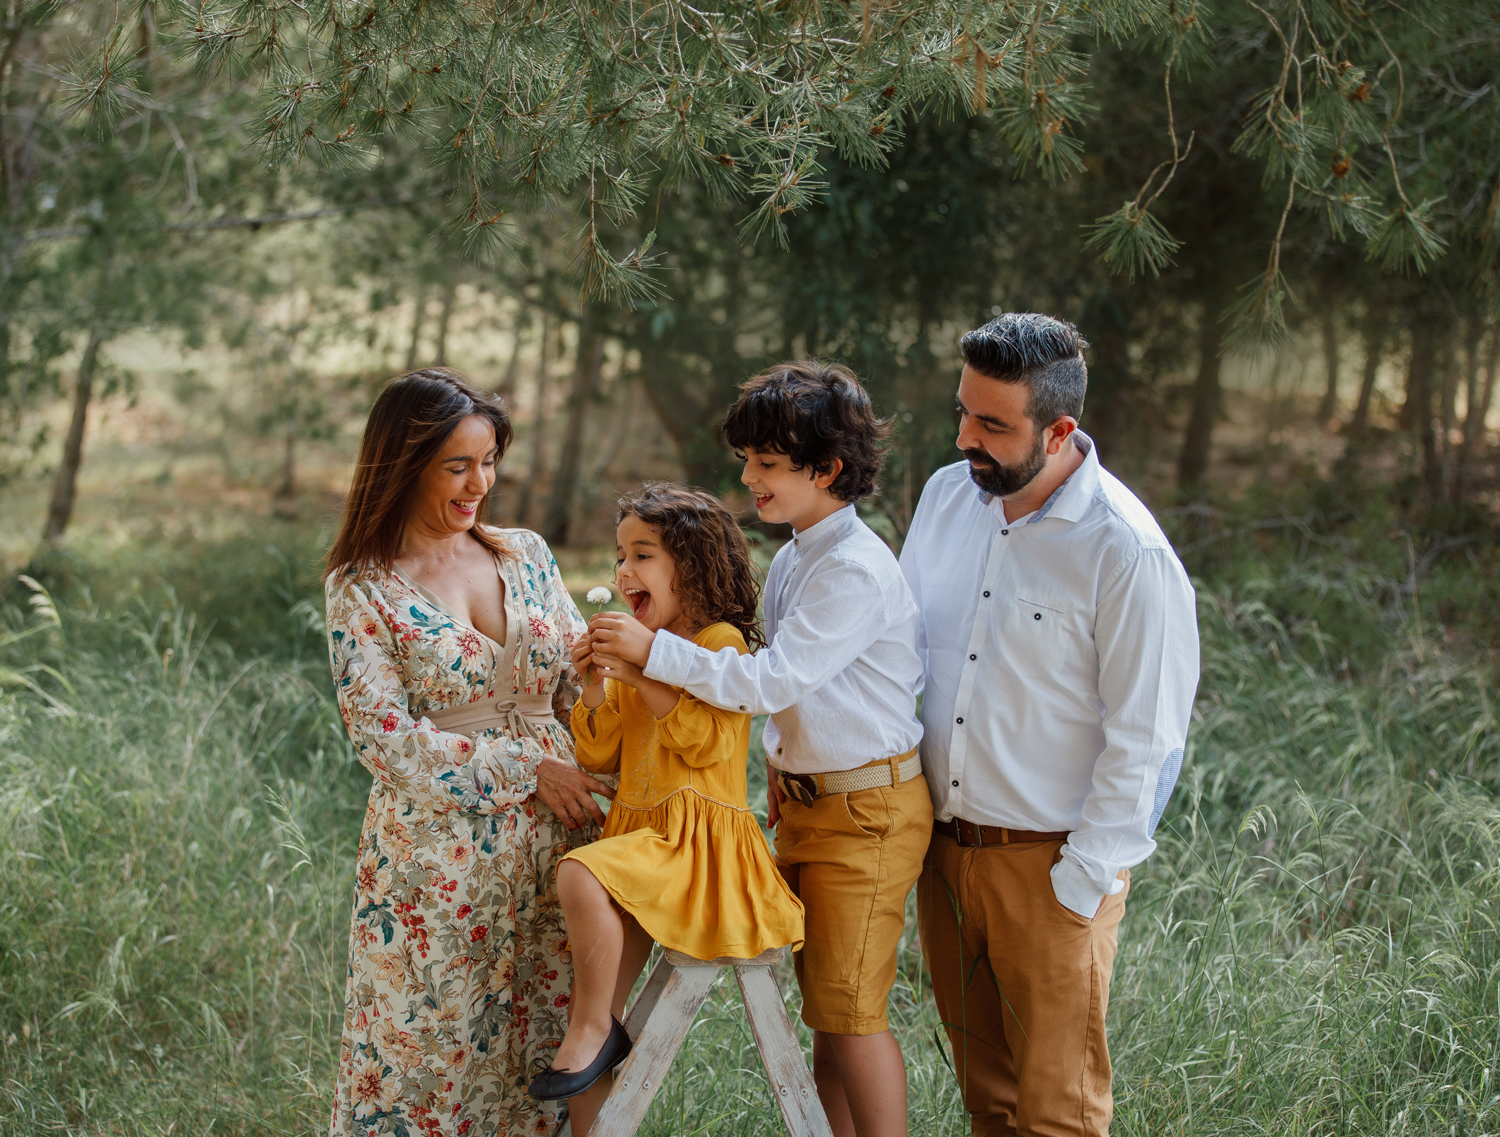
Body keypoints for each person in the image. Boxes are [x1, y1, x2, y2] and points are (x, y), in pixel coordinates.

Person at [590, 363, 929, 1137]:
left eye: (767, 462)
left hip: (868, 810)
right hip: (809, 803)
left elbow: (771, 679)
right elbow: (791, 689)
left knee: (852, 1011)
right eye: (747, 459)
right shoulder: (799, 555)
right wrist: (778, 763)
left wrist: (652, 652)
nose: (749, 477)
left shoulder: (853, 568)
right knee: (828, 1010)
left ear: (827, 468)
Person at [899, 313, 1200, 1137]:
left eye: (993, 424)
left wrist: (1083, 881)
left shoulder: (1126, 551)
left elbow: (1149, 738)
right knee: (988, 1104)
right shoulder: (945, 497)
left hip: (1053, 869)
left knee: (1057, 1114)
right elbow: (899, 654)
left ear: (1060, 432)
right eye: (963, 411)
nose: (965, 438)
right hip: (943, 857)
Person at [322, 368, 615, 1137]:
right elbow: (385, 738)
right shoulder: (363, 586)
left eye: (488, 462)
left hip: (559, 842)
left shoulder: (526, 554)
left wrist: (610, 696)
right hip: (439, 858)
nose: (479, 483)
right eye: (457, 465)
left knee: (547, 1039)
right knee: (431, 1048)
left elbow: (570, 687)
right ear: (405, 463)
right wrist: (526, 769)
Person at [529, 482, 804, 1136]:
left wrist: (638, 671)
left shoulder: (719, 643)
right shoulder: (643, 642)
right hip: (641, 841)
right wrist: (595, 683)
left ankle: (595, 1031)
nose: (624, 571)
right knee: (591, 1010)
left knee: (579, 873)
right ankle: (594, 1048)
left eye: (642, 555)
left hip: (698, 849)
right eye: (620, 556)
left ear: (694, 564)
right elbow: (597, 751)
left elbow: (705, 742)